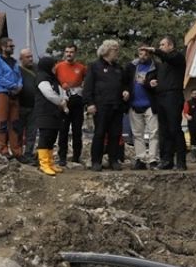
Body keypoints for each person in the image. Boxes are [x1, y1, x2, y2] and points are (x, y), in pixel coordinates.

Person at [83, 40, 131, 171]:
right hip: (101, 105)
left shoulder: (118, 68)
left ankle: (113, 160)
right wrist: (90, 103)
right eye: (115, 50)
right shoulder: (94, 66)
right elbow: (88, 86)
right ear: (107, 50)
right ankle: (96, 161)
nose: (118, 53)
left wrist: (126, 91)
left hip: (117, 106)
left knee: (115, 134)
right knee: (99, 133)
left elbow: (125, 83)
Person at [150, 37, 188, 170]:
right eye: (159, 45)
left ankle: (181, 162)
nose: (160, 47)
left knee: (174, 129)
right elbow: (154, 75)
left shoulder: (177, 58)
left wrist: (155, 50)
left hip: (173, 96)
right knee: (164, 131)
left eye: (162, 44)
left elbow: (169, 58)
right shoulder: (162, 64)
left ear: (171, 46)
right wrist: (152, 81)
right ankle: (166, 160)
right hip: (161, 97)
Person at [33, 56, 68, 176]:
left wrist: (64, 99)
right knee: (45, 137)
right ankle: (43, 164)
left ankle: (50, 162)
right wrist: (60, 102)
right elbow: (49, 93)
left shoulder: (53, 78)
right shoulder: (41, 77)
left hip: (55, 113)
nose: (55, 68)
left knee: (52, 138)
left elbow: (61, 91)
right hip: (45, 112)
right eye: (53, 65)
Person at [0, 37, 24, 158]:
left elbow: (19, 76)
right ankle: (2, 149)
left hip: (15, 95)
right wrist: (14, 85)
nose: (13, 48)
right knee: (3, 122)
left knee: (15, 123)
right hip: (3, 94)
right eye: (10, 46)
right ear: (3, 47)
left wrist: (19, 85)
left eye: (13, 46)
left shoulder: (14, 62)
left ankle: (17, 151)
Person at [53, 46, 87, 168]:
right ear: (64, 53)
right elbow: (53, 80)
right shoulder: (58, 66)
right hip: (63, 100)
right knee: (63, 130)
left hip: (77, 100)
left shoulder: (81, 67)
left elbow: (87, 81)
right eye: (67, 52)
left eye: (71, 52)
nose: (69, 54)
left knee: (77, 130)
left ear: (75, 53)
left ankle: (77, 156)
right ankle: (62, 156)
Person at [128, 47, 159, 170]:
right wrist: (125, 91)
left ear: (150, 55)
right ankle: (140, 159)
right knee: (137, 134)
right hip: (134, 104)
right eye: (141, 53)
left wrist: (150, 83)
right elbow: (125, 81)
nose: (143, 56)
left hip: (150, 104)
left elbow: (160, 83)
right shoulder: (131, 66)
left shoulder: (156, 67)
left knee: (154, 132)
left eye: (146, 54)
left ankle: (152, 159)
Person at [17, 48, 39, 164]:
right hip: (20, 106)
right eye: (27, 57)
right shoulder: (17, 70)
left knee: (32, 132)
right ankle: (19, 155)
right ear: (21, 59)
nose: (30, 59)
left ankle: (28, 154)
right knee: (19, 132)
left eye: (31, 56)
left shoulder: (37, 69)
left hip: (34, 106)